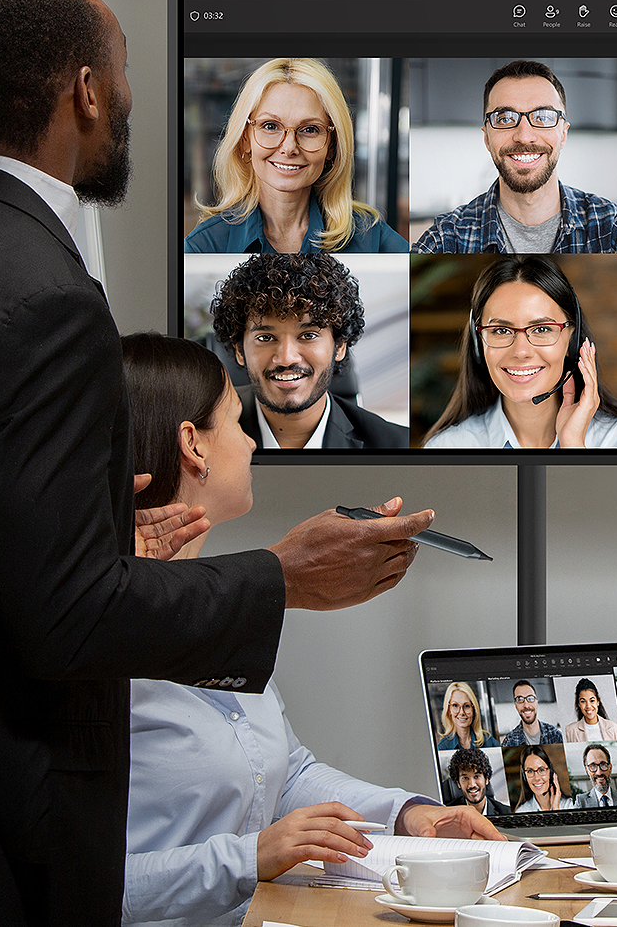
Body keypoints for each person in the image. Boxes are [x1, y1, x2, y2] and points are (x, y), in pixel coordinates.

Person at [0, 0, 433, 927]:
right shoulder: (46, 291)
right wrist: (280, 575)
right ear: (83, 91)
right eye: (119, 74)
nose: (128, 101)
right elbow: (63, 615)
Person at [119, 333, 499, 926]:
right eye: (237, 421)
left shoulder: (220, 613)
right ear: (193, 445)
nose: (251, 440)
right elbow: (77, 881)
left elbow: (285, 772)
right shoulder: (98, 644)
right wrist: (249, 858)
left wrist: (409, 815)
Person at [411, 60, 617, 253]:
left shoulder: (615, 232)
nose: (524, 136)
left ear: (563, 134)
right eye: (505, 118)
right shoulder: (446, 240)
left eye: (543, 116)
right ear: (487, 138)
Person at [184, 57, 407, 253]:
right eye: (270, 126)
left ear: (331, 147)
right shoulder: (204, 246)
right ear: (245, 140)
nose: (289, 147)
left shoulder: (372, 238)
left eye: (310, 129)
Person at [423, 255, 617, 449]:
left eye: (542, 329)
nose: (521, 351)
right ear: (479, 343)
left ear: (571, 338)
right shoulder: (447, 447)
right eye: (501, 330)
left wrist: (573, 445)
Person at [209, 253, 407, 449]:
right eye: (265, 338)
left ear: (339, 346)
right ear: (239, 351)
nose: (286, 358)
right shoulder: (203, 435)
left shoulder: (397, 446)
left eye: (308, 335)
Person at [436, 681, 501, 750]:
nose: (461, 712)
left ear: (473, 710)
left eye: (467, 706)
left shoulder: (488, 741)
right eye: (455, 705)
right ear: (449, 710)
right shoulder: (443, 747)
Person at [449, 749, 511, 816]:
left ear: (486, 779)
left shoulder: (506, 812)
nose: (472, 785)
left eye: (476, 776)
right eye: (465, 778)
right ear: (458, 783)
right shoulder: (448, 813)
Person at [501, 680, 564, 746]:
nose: (526, 705)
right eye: (520, 699)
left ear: (536, 703)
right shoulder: (509, 741)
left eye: (530, 698)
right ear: (516, 706)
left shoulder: (555, 735)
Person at [513, 745, 574, 812]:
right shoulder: (522, 811)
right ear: (525, 777)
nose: (536, 778)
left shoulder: (569, 805)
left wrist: (556, 809)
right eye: (530, 771)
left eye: (541, 770)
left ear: (550, 773)